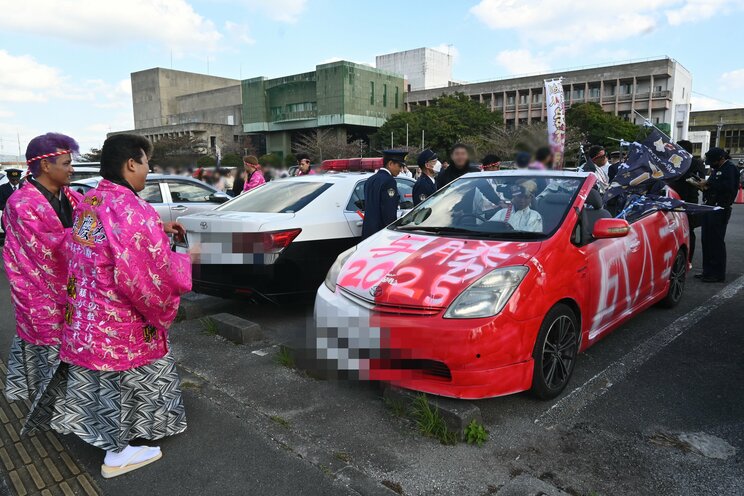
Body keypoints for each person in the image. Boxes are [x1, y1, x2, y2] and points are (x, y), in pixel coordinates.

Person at [24, 134, 191, 478]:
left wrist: (156, 229)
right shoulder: (133, 209)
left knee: (102, 384)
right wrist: (184, 263)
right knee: (125, 382)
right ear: (132, 163)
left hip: (89, 315)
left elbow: (96, 243)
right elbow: (144, 278)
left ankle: (110, 440)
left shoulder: (92, 199)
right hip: (120, 319)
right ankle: (117, 453)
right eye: (147, 164)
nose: (147, 170)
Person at [2, 134, 82, 403]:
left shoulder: (70, 195)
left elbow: (102, 218)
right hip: (38, 291)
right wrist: (89, 236)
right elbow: (47, 247)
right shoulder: (21, 204)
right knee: (47, 355)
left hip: (70, 290)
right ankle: (52, 408)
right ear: (46, 166)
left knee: (73, 353)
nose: (72, 169)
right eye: (67, 163)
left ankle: (72, 408)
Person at [691, 147, 739, 282]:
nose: (710, 163)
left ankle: (717, 273)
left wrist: (709, 183)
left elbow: (729, 188)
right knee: (706, 240)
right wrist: (703, 185)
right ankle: (707, 271)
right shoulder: (717, 169)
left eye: (713, 161)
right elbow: (713, 186)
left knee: (716, 242)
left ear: (721, 158)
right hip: (709, 206)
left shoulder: (730, 168)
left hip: (720, 208)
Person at [667, 140, 706, 265]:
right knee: (672, 228)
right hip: (672, 199)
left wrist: (686, 177)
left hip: (689, 200)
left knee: (689, 229)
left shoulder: (696, 163)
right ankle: (674, 257)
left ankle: (688, 259)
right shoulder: (673, 161)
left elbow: (700, 181)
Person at [362, 150, 406, 239]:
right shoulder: (389, 181)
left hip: (368, 231)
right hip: (381, 233)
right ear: (390, 164)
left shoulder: (370, 179)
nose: (401, 170)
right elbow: (388, 210)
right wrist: (392, 231)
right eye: (399, 166)